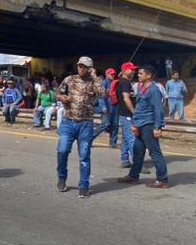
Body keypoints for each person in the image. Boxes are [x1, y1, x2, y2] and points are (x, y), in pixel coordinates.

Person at [54, 56, 106, 198]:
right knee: (62, 151)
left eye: (84, 66)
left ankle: (84, 186)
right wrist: (61, 98)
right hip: (68, 121)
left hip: (85, 124)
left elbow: (103, 94)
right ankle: (62, 177)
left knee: (84, 156)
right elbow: (58, 93)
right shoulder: (69, 79)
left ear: (90, 68)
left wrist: (94, 77)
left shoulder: (94, 82)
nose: (81, 68)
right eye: (79, 66)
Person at [118, 63, 170, 187]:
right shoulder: (142, 87)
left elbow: (158, 109)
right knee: (138, 151)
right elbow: (140, 108)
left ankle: (162, 179)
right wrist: (135, 123)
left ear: (149, 75)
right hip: (140, 124)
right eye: (138, 73)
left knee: (154, 152)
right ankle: (133, 176)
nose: (138, 75)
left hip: (149, 125)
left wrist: (158, 127)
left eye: (141, 73)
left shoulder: (153, 89)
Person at [114, 63, 138, 168]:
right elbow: (126, 98)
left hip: (124, 114)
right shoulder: (125, 83)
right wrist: (134, 111)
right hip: (127, 114)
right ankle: (138, 163)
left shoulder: (125, 82)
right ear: (124, 70)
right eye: (131, 70)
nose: (133, 72)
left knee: (125, 138)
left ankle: (124, 160)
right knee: (131, 138)